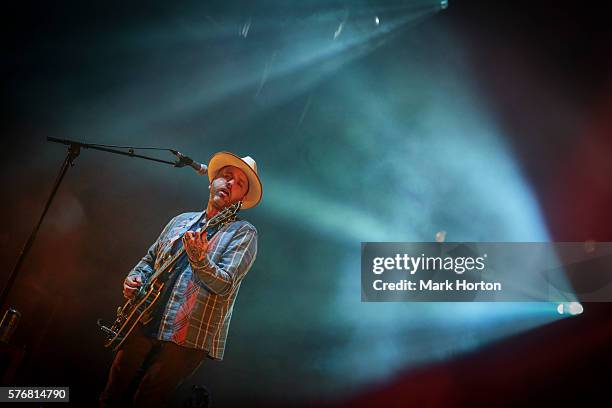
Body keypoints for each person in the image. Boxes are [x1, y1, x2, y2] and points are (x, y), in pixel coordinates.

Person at [100, 152, 262, 407]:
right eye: (226, 176)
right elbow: (150, 259)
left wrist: (199, 259)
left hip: (187, 335)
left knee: (148, 399)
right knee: (111, 393)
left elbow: (225, 283)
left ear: (242, 198)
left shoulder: (243, 233)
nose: (230, 183)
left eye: (239, 183)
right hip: (144, 318)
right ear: (212, 182)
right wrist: (134, 277)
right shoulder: (181, 220)